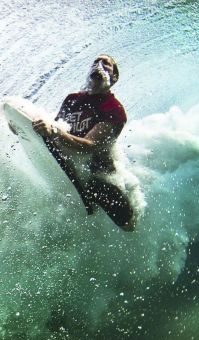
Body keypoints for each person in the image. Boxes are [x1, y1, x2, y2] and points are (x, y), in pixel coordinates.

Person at [32, 54, 136, 231]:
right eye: (95, 62)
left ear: (114, 77)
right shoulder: (72, 99)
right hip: (70, 163)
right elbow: (55, 128)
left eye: (106, 64)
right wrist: (30, 129)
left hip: (97, 174)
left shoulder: (114, 109)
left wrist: (53, 130)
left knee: (127, 224)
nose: (99, 65)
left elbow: (89, 146)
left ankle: (128, 219)